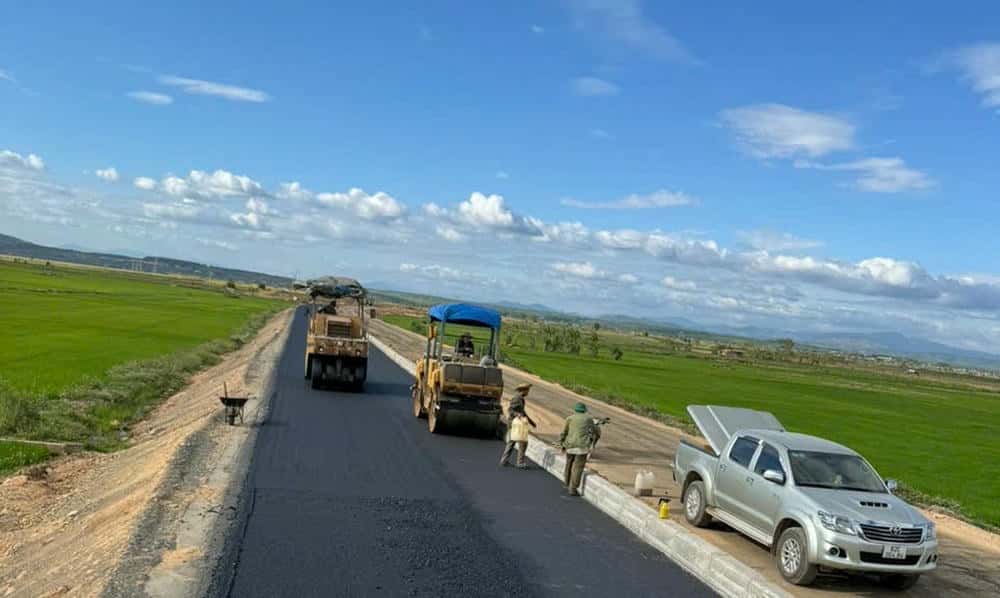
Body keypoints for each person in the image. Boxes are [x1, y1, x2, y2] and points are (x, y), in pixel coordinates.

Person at [559, 402, 601, 496]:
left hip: (570, 445)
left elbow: (564, 432)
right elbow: (595, 430)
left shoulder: (569, 418)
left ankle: (566, 483)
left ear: (575, 410)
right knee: (578, 467)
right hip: (582, 447)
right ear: (584, 410)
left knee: (569, 463)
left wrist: (561, 443)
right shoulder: (588, 419)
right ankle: (572, 488)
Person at [500, 383, 536, 468]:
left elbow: (522, 412)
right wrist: (517, 414)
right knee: (523, 442)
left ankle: (504, 460)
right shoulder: (517, 398)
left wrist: (531, 422)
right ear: (523, 390)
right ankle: (519, 462)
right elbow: (510, 410)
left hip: (515, 423)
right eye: (527, 390)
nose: (528, 392)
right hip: (515, 423)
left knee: (512, 442)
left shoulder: (520, 398)